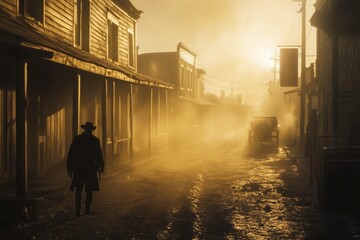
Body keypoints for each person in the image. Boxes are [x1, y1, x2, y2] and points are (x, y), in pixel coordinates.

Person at [67, 122, 104, 217]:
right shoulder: (95, 140)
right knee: (88, 190)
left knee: (80, 190)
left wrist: (70, 167)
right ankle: (85, 210)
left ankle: (79, 210)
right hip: (89, 169)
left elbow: (71, 154)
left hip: (81, 168)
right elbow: (99, 155)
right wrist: (101, 166)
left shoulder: (78, 139)